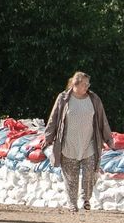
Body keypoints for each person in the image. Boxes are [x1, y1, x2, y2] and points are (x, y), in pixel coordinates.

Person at [43, 71, 113, 212]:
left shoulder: (94, 99)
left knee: (89, 174)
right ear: (75, 84)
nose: (87, 86)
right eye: (84, 84)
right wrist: (48, 138)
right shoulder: (63, 99)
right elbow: (54, 119)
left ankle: (86, 198)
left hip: (89, 145)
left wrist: (109, 139)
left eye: (88, 84)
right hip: (69, 145)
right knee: (71, 178)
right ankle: (72, 204)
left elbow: (102, 120)